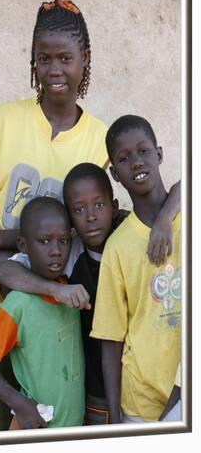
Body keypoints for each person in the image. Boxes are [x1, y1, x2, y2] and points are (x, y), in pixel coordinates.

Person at [0, 0, 178, 433]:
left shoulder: (103, 139)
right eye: (44, 58)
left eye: (66, 58)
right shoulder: (0, 120)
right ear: (33, 61)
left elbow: (132, 208)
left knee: (53, 420)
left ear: (86, 61)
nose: (55, 69)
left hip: (61, 301)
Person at [0, 163, 119, 425]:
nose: (91, 216)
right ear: (70, 221)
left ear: (114, 207)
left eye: (99, 205)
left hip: (133, 386)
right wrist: (58, 290)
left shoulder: (126, 238)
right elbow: (4, 272)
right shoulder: (69, 252)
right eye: (79, 209)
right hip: (89, 393)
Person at [90, 115, 181, 424]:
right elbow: (110, 339)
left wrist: (167, 217)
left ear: (159, 153)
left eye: (143, 151)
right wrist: (115, 421)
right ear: (115, 174)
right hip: (140, 405)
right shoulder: (118, 248)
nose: (137, 162)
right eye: (124, 158)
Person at [0, 197, 86, 429]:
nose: (56, 251)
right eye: (44, 241)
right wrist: (20, 404)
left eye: (63, 241)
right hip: (38, 429)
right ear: (23, 246)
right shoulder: (18, 305)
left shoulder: (69, 292)